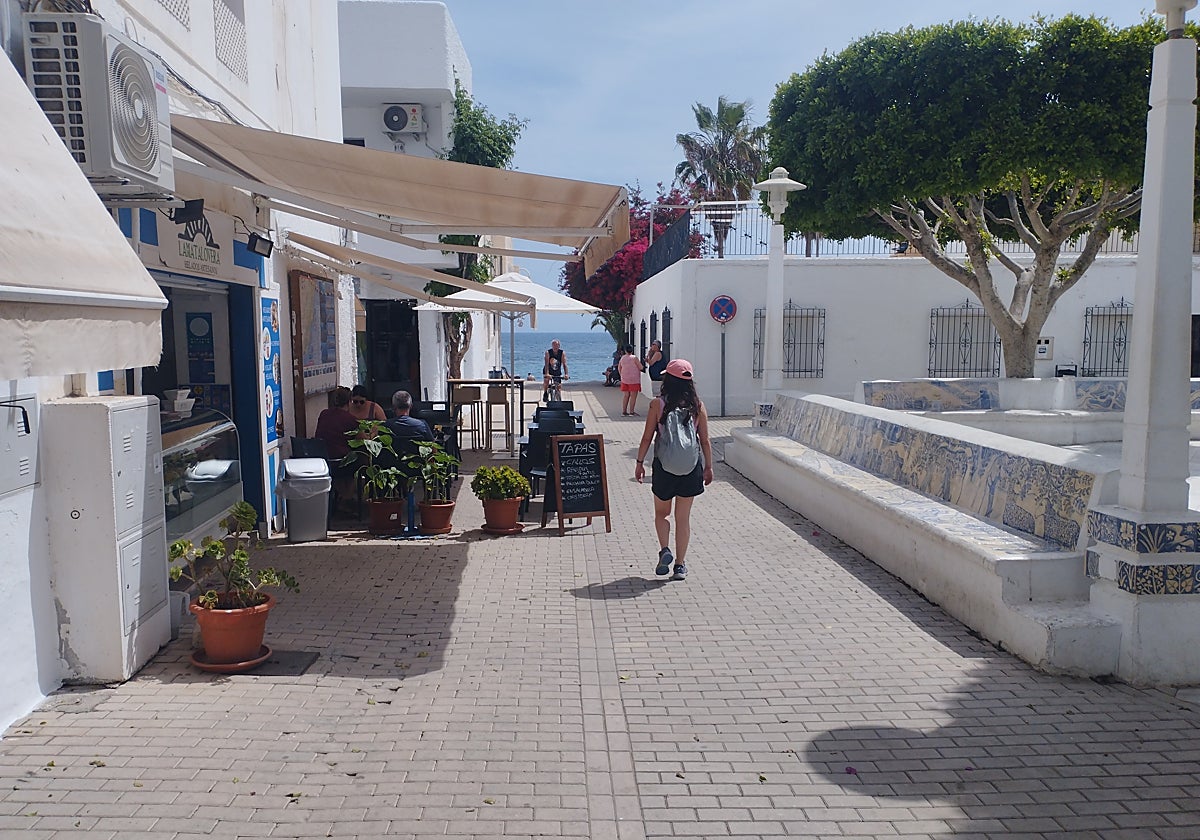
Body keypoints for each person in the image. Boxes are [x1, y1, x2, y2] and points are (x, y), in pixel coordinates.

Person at [633, 359, 714, 581]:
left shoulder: (657, 405)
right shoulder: (698, 406)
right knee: (683, 518)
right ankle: (680, 565)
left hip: (664, 466)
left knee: (662, 514)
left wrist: (639, 463)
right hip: (691, 466)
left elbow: (647, 438)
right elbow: (705, 440)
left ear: (667, 379)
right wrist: (708, 467)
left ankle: (664, 549)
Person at [313, 386, 359, 460]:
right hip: (340, 459)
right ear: (349, 402)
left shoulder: (324, 413)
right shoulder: (350, 419)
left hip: (321, 457)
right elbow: (362, 440)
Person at [617, 344, 643, 416]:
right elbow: (641, 367)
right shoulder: (634, 358)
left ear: (625, 351)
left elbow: (619, 368)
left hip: (625, 379)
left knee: (626, 395)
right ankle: (631, 411)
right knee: (633, 396)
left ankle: (624, 411)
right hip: (634, 380)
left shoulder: (622, 358)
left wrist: (622, 375)